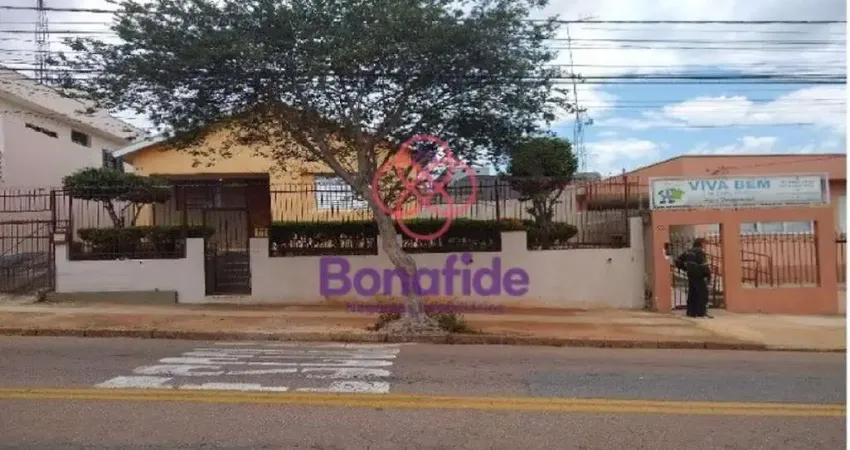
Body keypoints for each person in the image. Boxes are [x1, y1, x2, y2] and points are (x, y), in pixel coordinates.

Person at [675, 238, 712, 318]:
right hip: (699, 275)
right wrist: (708, 275)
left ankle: (691, 312)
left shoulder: (689, 251)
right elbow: (704, 265)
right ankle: (701, 312)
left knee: (692, 293)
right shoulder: (699, 252)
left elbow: (678, 261)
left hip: (691, 275)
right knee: (702, 293)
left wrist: (685, 267)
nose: (705, 245)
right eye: (705, 243)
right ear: (701, 244)